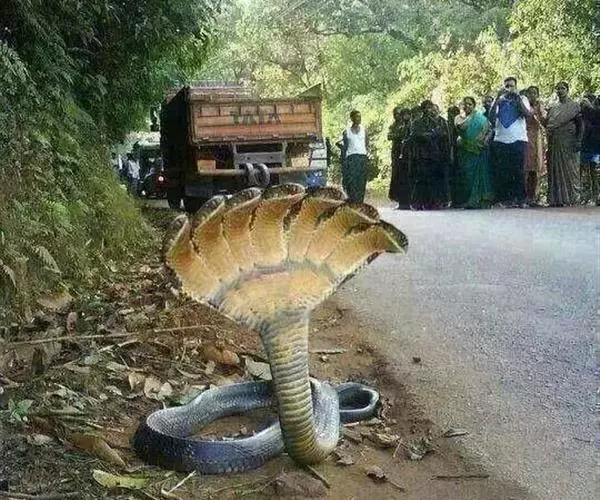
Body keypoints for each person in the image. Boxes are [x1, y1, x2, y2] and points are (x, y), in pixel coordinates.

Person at [488, 77, 532, 208]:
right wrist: (497, 99)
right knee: (503, 171)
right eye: (506, 86)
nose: (509, 88)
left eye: (511, 86)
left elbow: (528, 115)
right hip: (501, 139)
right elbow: (491, 118)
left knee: (518, 170)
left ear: (516, 87)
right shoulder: (499, 101)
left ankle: (521, 199)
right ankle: (505, 199)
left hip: (518, 139)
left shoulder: (522, 99)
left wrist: (517, 98)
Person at [544, 82, 584, 207]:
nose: (560, 91)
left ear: (567, 90)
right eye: (558, 89)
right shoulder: (553, 108)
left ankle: (573, 198)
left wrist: (579, 140)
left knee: (571, 170)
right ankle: (557, 199)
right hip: (555, 142)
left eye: (563, 88)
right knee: (555, 169)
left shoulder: (574, 106)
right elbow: (548, 124)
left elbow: (580, 124)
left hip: (569, 141)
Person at [409, 100, 451, 210]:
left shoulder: (437, 122)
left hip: (435, 154)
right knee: (421, 179)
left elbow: (443, 135)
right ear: (423, 109)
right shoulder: (417, 122)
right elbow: (415, 135)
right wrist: (430, 135)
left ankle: (433, 202)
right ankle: (418, 203)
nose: (429, 110)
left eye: (430, 108)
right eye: (427, 108)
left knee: (434, 179)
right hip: (422, 154)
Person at [453, 96, 493, 208]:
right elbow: (461, 128)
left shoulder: (481, 118)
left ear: (474, 106)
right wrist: (469, 117)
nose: (467, 106)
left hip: (480, 150)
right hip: (466, 150)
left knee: (481, 175)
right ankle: (469, 200)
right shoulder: (458, 118)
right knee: (468, 175)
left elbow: (490, 130)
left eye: (470, 104)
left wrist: (485, 140)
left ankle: (481, 201)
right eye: (465, 104)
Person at [336, 110, 369, 203]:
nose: (359, 119)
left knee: (361, 181)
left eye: (360, 117)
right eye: (357, 116)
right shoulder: (346, 132)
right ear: (352, 118)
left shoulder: (364, 130)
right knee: (352, 181)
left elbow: (367, 143)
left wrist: (366, 155)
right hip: (351, 158)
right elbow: (346, 146)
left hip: (362, 157)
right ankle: (353, 200)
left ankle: (360, 201)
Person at [524, 86, 547, 206]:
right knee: (526, 168)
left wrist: (540, 112)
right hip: (525, 137)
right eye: (530, 93)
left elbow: (544, 120)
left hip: (537, 138)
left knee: (536, 167)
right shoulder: (523, 105)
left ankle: (535, 197)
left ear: (537, 95)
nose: (532, 95)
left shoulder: (539, 105)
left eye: (534, 93)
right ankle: (526, 196)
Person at [387, 107, 412, 209]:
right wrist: (398, 135)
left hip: (407, 153)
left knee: (405, 176)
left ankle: (406, 201)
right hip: (396, 152)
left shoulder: (409, 125)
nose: (397, 116)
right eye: (395, 114)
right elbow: (389, 136)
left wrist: (397, 135)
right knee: (396, 176)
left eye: (399, 114)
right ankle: (398, 199)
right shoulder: (394, 126)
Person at [581, 94, 600, 205]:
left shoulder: (595, 113)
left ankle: (596, 196)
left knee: (594, 171)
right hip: (586, 145)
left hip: (595, 145)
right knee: (586, 171)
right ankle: (587, 196)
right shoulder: (583, 114)